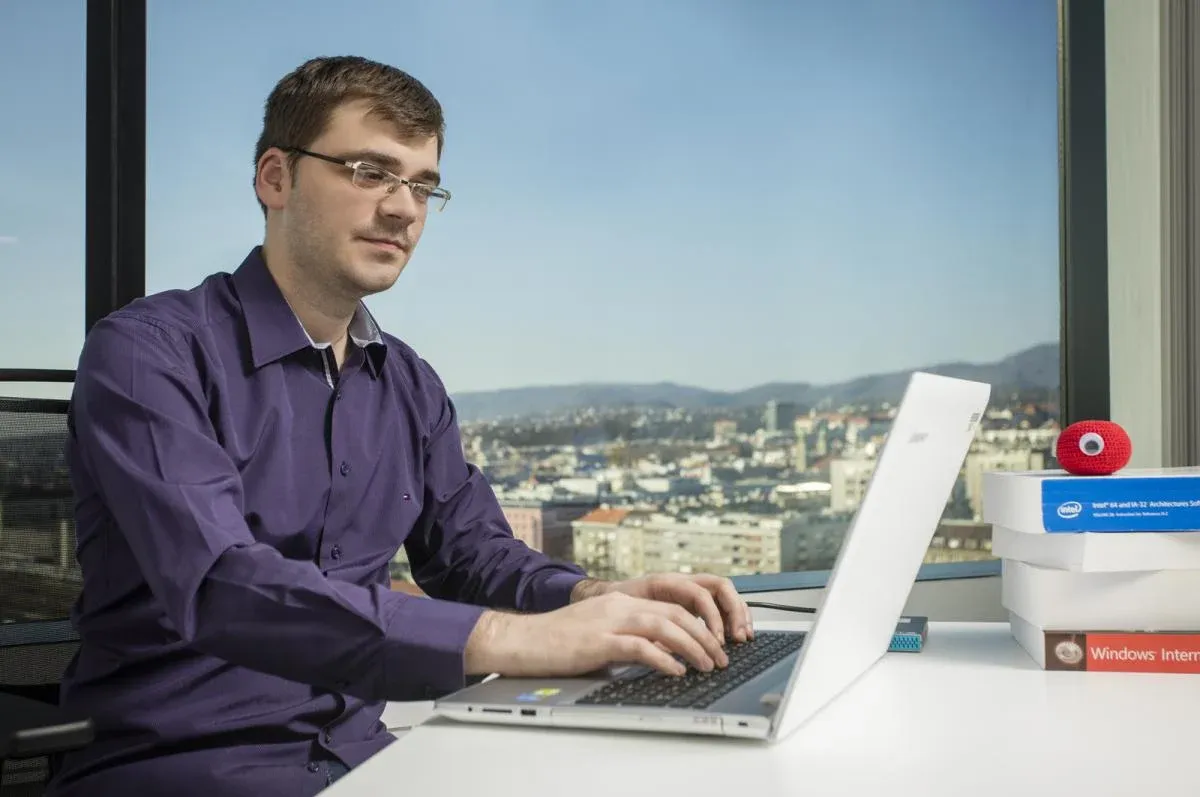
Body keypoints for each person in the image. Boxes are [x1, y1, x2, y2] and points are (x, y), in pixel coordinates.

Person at [47, 55, 754, 797]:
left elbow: (473, 554)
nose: (403, 208)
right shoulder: (147, 353)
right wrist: (516, 639)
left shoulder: (408, 381)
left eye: (421, 184)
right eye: (368, 171)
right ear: (275, 178)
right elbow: (225, 584)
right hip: (179, 765)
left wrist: (594, 598)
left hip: (367, 759)